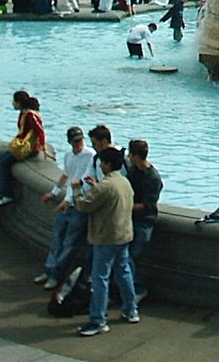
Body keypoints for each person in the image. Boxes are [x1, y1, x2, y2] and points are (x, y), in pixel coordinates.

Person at [71, 146, 140, 336]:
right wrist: (96, 186)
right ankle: (130, 310)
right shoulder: (124, 182)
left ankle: (98, 320)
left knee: (100, 278)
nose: (100, 165)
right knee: (124, 272)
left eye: (102, 162)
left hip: (105, 238)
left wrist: (76, 189)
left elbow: (84, 206)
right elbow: (110, 198)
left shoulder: (105, 186)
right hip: (123, 236)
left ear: (108, 164)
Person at [34, 126, 95, 291]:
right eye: (75, 141)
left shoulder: (90, 156)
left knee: (70, 243)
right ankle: (49, 271)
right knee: (56, 240)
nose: (78, 144)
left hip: (78, 205)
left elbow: (83, 181)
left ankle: (55, 275)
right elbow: (66, 176)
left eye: (80, 140)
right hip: (67, 203)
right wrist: (54, 193)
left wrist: (67, 200)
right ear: (69, 142)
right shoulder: (69, 155)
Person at [0, 90, 45, 206]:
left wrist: (43, 148)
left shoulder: (30, 115)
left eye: (14, 101)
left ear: (19, 103)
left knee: (3, 163)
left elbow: (40, 131)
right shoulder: (23, 114)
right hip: (22, 146)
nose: (12, 103)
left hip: (29, 149)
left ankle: (7, 194)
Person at [126, 139, 162, 301]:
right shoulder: (134, 170)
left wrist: (124, 207)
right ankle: (130, 289)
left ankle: (138, 289)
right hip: (132, 219)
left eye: (130, 153)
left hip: (144, 221)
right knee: (127, 256)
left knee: (131, 256)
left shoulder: (152, 177)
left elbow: (148, 204)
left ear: (135, 156)